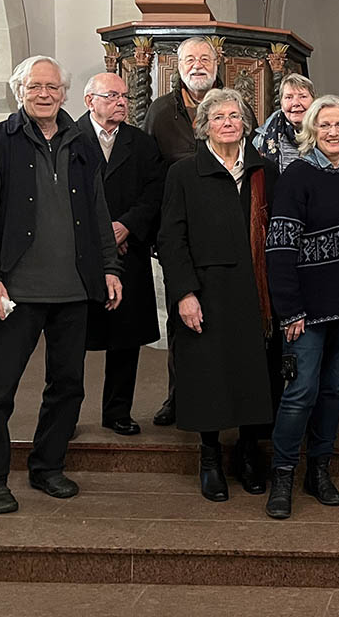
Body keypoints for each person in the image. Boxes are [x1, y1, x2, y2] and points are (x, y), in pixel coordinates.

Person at [0, 56, 123, 514]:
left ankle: (48, 467)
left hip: (73, 289)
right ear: (20, 91)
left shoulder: (81, 143)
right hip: (15, 292)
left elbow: (97, 213)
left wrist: (109, 267)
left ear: (65, 93)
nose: (45, 94)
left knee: (68, 386)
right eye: (35, 86)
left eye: (52, 86)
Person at [156, 87, 278, 502]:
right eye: (219, 117)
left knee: (251, 374)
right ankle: (209, 458)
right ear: (203, 126)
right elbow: (171, 240)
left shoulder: (265, 172)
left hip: (253, 292)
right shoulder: (184, 174)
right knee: (207, 374)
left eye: (235, 116)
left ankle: (247, 453)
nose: (228, 123)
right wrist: (185, 294)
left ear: (246, 123)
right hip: (205, 292)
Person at [265, 95, 339, 519]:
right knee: (300, 393)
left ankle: (319, 471)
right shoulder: (297, 175)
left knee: (334, 391)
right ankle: (282, 476)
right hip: (307, 312)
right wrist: (289, 309)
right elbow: (279, 246)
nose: (334, 132)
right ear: (312, 130)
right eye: (325, 125)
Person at [144, 37, 241, 428]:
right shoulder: (160, 112)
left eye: (205, 58)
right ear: (177, 65)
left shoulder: (233, 104)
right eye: (190, 59)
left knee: (225, 322)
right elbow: (149, 174)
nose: (198, 65)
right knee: (182, 319)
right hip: (179, 232)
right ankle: (177, 395)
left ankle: (232, 395)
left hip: (225, 235)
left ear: (217, 63)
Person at [78, 73, 165, 436]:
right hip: (79, 254)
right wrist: (100, 236)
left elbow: (156, 191)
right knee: (72, 340)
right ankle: (64, 413)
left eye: (125, 96)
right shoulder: (70, 139)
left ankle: (117, 411)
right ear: (90, 101)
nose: (121, 102)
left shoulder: (142, 143)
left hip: (129, 250)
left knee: (125, 338)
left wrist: (126, 226)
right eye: (112, 95)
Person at [254, 72, 315, 172]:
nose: (296, 103)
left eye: (303, 96)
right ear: (281, 103)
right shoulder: (261, 138)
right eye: (289, 97)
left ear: (314, 101)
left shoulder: (326, 133)